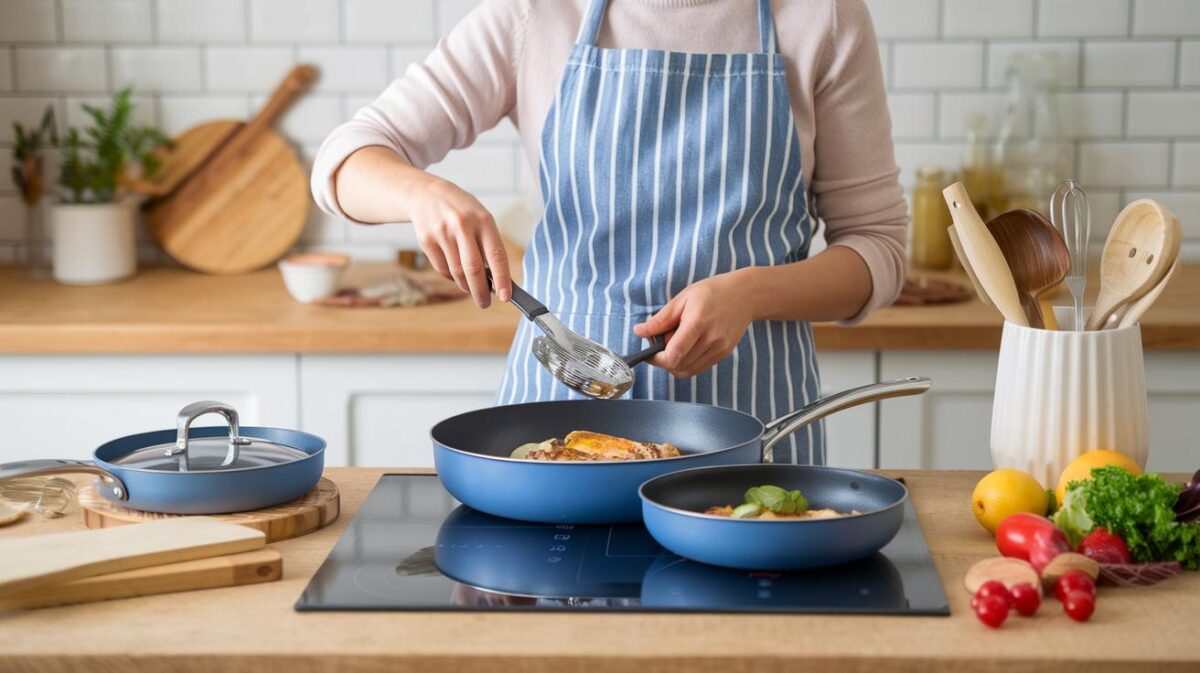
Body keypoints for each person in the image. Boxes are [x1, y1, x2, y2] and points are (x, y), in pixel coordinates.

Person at [311, 0, 907, 464]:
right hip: (554, 434)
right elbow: (343, 161)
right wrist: (423, 194)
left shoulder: (821, 17)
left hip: (752, 430)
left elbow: (878, 246)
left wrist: (750, 293)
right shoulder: (535, 13)